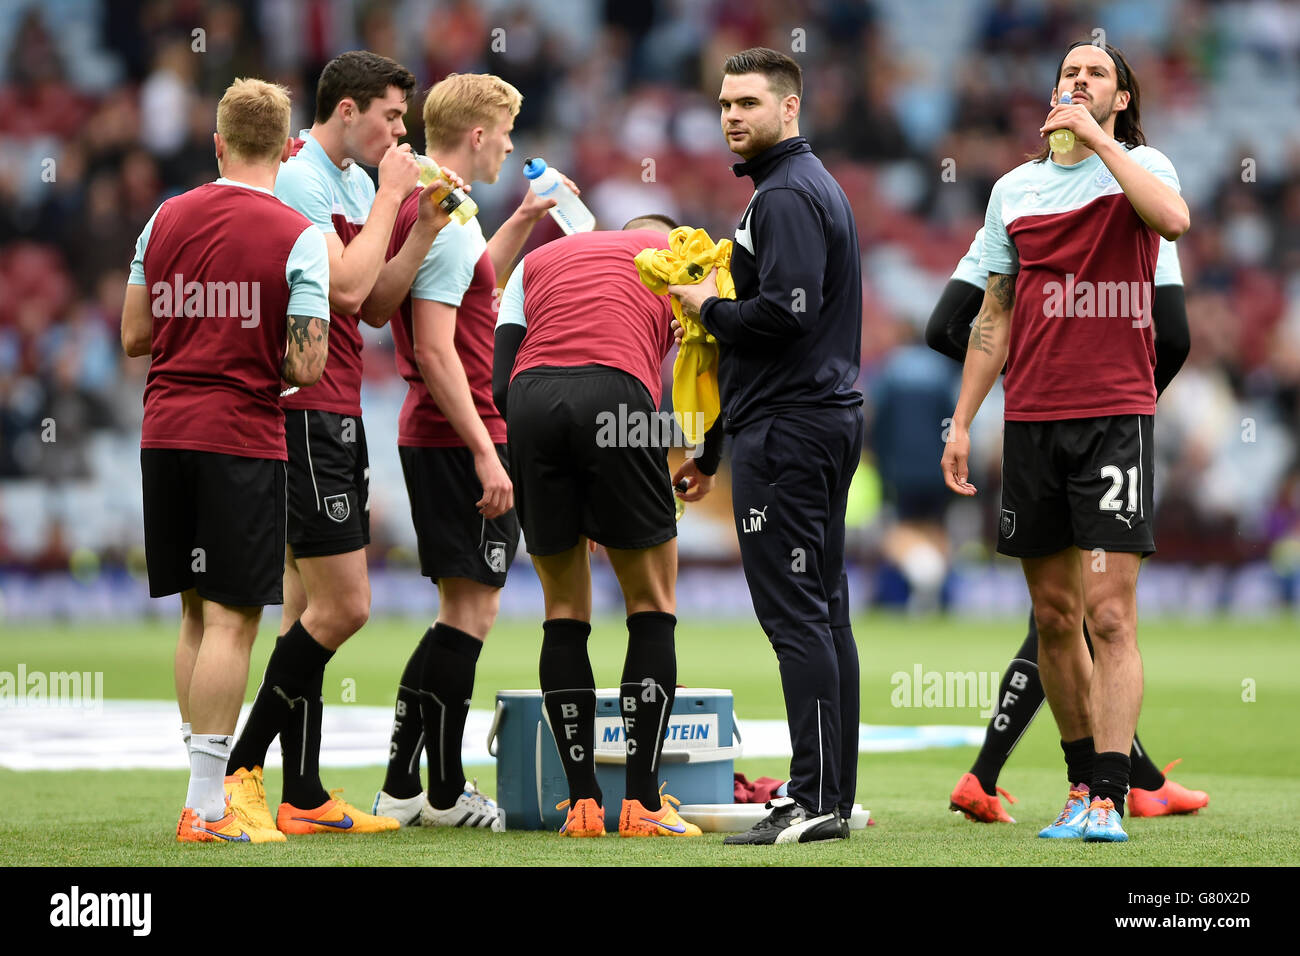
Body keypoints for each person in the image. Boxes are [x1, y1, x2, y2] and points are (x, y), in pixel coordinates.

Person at [940, 40, 1191, 842]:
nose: (1077, 82)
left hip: (1115, 416)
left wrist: (1105, 142)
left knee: (1111, 616)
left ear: (1119, 99)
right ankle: (1082, 784)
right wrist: (962, 419)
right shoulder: (1014, 189)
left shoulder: (1145, 165)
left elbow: (1175, 222)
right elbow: (992, 315)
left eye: (1096, 76)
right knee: (1053, 616)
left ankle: (1113, 797)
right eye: (1067, 75)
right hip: (1032, 423)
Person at [223, 50, 453, 836]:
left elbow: (377, 307)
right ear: (346, 110)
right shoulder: (301, 179)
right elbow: (347, 288)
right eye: (392, 116)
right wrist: (394, 192)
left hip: (338, 407)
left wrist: (419, 225)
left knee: (303, 611)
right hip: (304, 406)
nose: (402, 132)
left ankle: (305, 793)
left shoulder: (355, 184)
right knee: (347, 606)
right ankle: (241, 770)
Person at [928, 225, 1208, 824]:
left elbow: (944, 327)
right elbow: (1177, 336)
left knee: (1067, 617)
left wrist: (1039, 375)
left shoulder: (1018, 212)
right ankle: (1123, 779)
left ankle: (1008, 774)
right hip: (1090, 421)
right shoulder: (1133, 216)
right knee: (1079, 618)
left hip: (1043, 421)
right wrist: (1111, 391)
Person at [122, 77, 330, 842]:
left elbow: (134, 337)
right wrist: (248, 355)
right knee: (234, 620)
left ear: (217, 143)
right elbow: (308, 366)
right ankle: (207, 806)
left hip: (163, 430)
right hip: (239, 437)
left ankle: (198, 789)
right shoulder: (299, 234)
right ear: (286, 148)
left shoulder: (163, 217)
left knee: (192, 613)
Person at [669, 47, 865, 845]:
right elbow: (781, 334)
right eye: (723, 103)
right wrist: (714, 449)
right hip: (806, 419)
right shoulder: (804, 189)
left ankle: (815, 797)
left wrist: (707, 307)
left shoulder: (783, 196)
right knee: (823, 611)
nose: (731, 116)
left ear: (790, 109)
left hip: (789, 430)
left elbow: (783, 313)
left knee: (795, 617)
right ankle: (830, 795)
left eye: (747, 102)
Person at [367, 73, 565, 829]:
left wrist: (521, 219)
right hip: (459, 435)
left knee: (457, 614)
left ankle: (403, 783)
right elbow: (437, 349)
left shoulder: (447, 215)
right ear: (478, 134)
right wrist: (486, 451)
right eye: (506, 132)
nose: (512, 145)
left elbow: (474, 283)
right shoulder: (442, 219)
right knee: (469, 617)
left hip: (442, 433)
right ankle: (443, 792)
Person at [492, 215, 717, 838]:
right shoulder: (681, 256)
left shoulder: (542, 259)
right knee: (651, 606)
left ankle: (583, 804)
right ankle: (642, 805)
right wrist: (709, 458)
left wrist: (569, 485)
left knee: (563, 610)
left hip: (530, 403)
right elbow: (718, 369)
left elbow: (497, 380)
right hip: (617, 398)